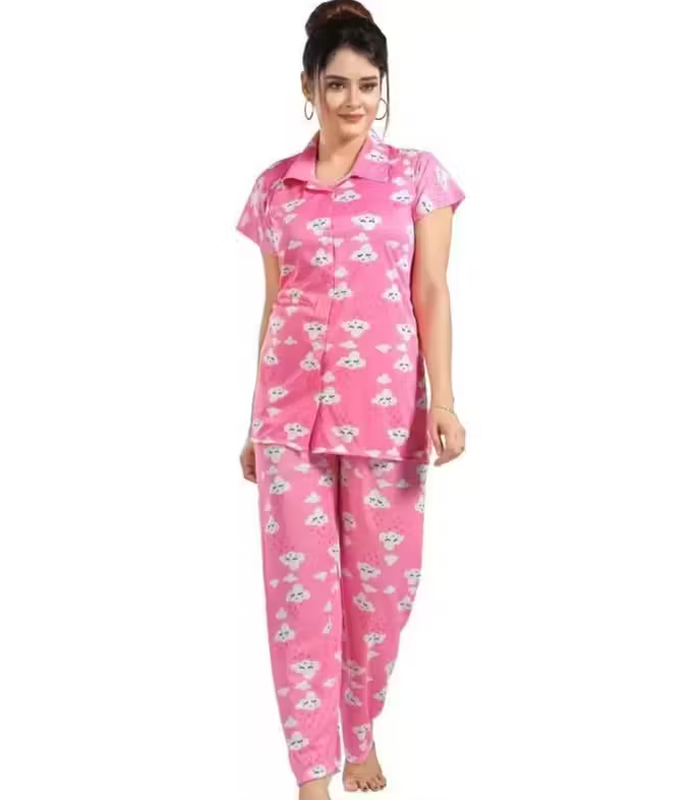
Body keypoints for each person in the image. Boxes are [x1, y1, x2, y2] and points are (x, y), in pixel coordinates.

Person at [235, 1, 466, 797]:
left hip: (385, 415)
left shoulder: (418, 177)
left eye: (369, 85)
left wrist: (444, 401)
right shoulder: (275, 189)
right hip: (288, 420)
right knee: (299, 601)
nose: (354, 100)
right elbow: (275, 306)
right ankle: (312, 774)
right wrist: (254, 422)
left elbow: (431, 290)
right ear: (308, 87)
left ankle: (359, 729)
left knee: (382, 593)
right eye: (336, 84)